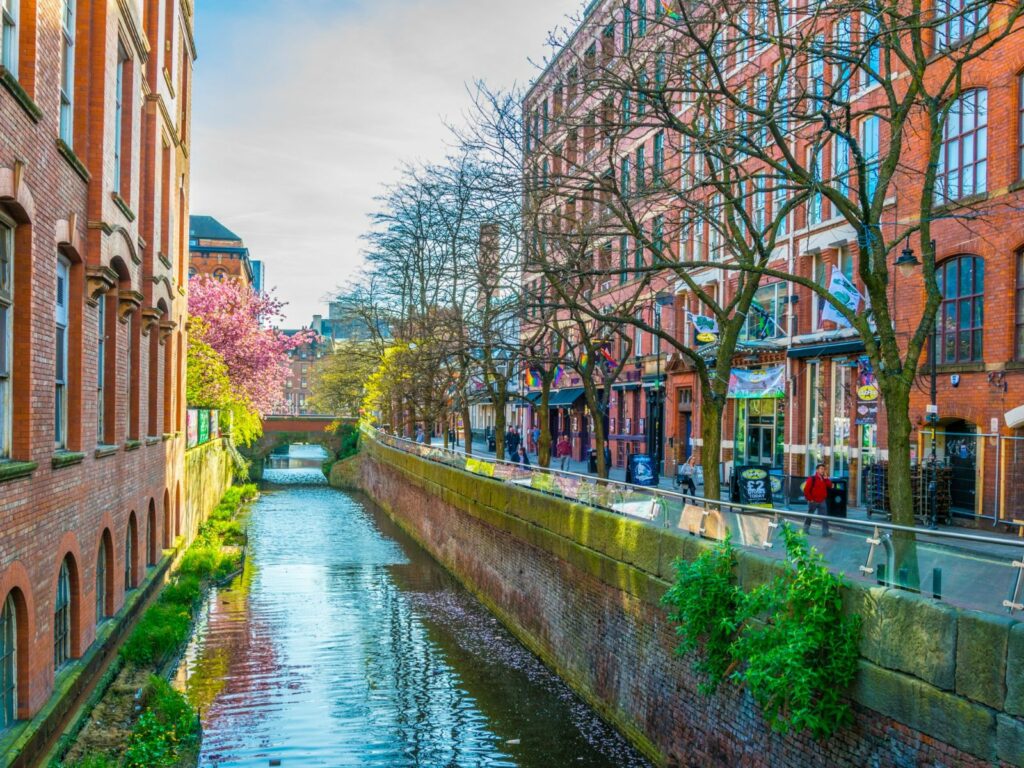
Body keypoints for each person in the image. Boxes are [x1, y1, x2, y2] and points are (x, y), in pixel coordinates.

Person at [803, 463, 833, 536]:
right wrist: (810, 499)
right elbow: (806, 490)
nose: (823, 470)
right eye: (821, 469)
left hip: (822, 500)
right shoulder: (812, 478)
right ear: (817, 470)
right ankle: (805, 530)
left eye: (824, 469)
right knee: (810, 516)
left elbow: (830, 486)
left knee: (824, 517)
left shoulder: (824, 479)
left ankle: (825, 532)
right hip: (813, 501)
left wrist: (826, 478)